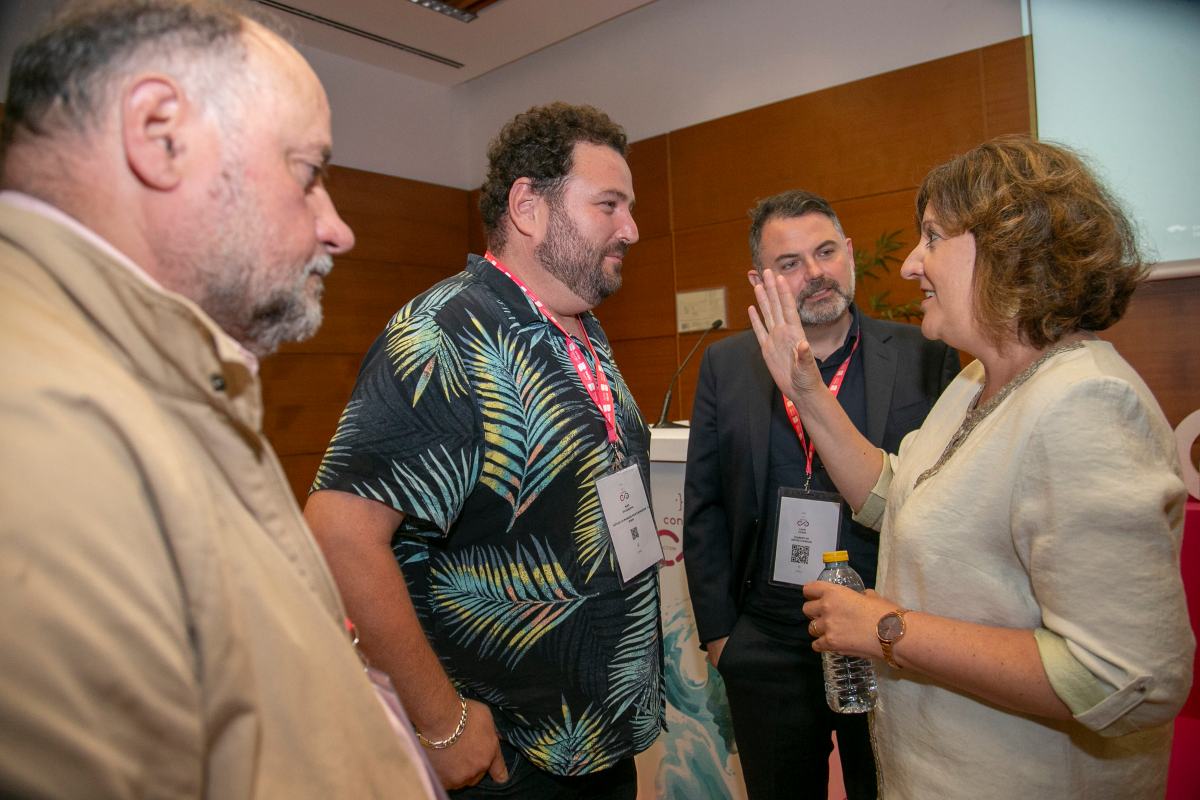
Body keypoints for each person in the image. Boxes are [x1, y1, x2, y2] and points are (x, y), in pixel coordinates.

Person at [0, 1, 442, 798]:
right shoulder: (42, 427)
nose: (337, 228)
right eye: (308, 173)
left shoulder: (159, 375)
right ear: (160, 133)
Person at [749, 136, 1194, 799]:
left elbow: (1128, 679)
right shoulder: (977, 382)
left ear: (1009, 247)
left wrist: (887, 629)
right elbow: (895, 494)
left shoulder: (1086, 403)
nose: (909, 265)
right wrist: (808, 391)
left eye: (932, 238)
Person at [304, 102, 664, 798]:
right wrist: (442, 724)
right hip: (510, 756)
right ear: (529, 207)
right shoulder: (443, 332)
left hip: (597, 740)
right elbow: (340, 533)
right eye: (609, 205)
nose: (632, 229)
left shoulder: (579, 330)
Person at [682, 190, 957, 799]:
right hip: (766, 643)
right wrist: (724, 638)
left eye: (826, 251)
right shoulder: (727, 365)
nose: (815, 273)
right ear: (761, 281)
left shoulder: (923, 355)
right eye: (790, 263)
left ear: (850, 254)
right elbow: (702, 507)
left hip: (882, 639)